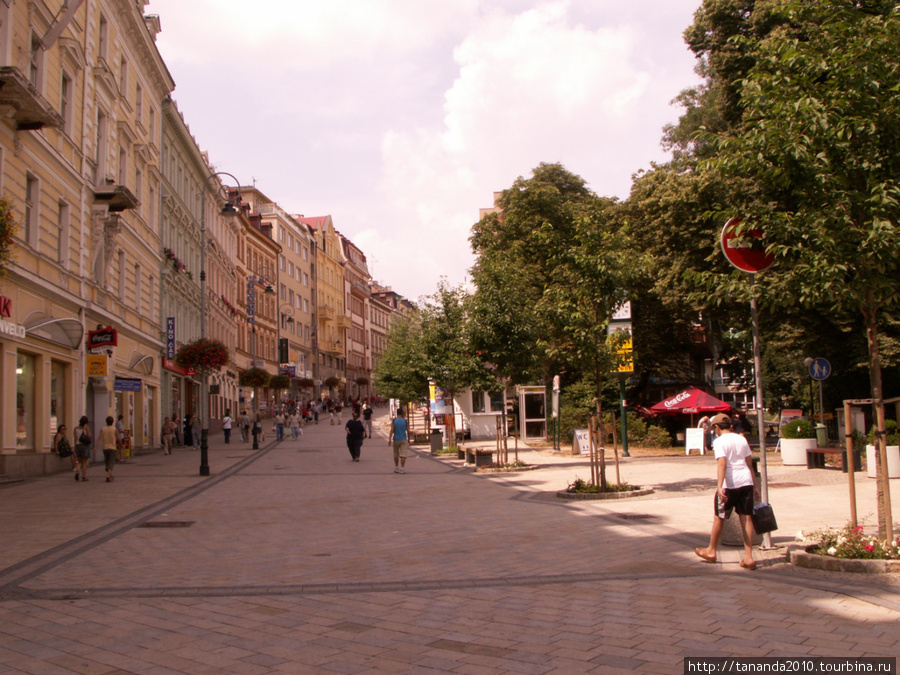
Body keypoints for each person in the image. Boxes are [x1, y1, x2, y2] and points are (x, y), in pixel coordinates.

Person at [694, 413, 759, 570]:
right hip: (746, 482)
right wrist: (755, 485)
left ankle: (711, 550)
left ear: (716, 427)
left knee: (719, 517)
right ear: (730, 425)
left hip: (729, 484)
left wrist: (719, 485)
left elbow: (722, 464)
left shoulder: (719, 441)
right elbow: (749, 464)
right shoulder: (742, 439)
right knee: (747, 519)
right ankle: (749, 557)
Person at [94, 415, 118, 483]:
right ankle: (108, 476)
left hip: (105, 448)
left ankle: (110, 475)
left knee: (107, 462)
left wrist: (96, 446)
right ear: (113, 422)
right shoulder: (114, 429)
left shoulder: (103, 429)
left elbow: (99, 438)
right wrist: (122, 445)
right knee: (111, 463)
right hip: (112, 448)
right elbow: (118, 438)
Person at [388, 408, 409, 474]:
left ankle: (396, 467)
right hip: (403, 439)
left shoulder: (394, 421)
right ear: (402, 413)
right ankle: (402, 468)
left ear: (397, 413)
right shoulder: (405, 421)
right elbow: (408, 430)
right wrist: (409, 439)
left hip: (396, 439)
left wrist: (389, 439)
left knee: (396, 454)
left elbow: (392, 430)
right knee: (403, 455)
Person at [74, 416, 92, 481]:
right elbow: (89, 435)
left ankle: (77, 472)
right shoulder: (86, 428)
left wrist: (75, 447)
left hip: (78, 446)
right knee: (84, 462)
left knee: (79, 461)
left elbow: (75, 438)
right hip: (84, 446)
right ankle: (83, 476)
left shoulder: (76, 428)